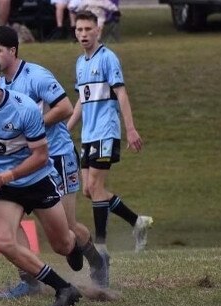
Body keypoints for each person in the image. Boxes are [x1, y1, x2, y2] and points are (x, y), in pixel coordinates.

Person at [0, 51, 84, 306]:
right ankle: (64, 288)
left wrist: (5, 177)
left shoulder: (24, 109)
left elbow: (41, 156)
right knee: (2, 240)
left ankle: (73, 244)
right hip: (1, 186)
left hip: (37, 179)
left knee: (62, 244)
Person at [0, 25, 109, 299]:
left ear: (12, 51)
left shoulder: (35, 75)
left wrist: (31, 126)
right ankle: (29, 281)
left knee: (68, 230)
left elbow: (64, 107)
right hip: (22, 164)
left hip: (56, 156)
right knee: (8, 222)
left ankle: (97, 261)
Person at [67, 11, 153, 259]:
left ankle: (102, 247)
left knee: (96, 186)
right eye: (79, 29)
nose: (83, 34)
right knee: (88, 190)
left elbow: (122, 94)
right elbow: (82, 101)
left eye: (88, 29)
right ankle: (137, 221)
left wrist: (131, 129)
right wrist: (67, 128)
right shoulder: (80, 63)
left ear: (98, 31)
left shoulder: (108, 59)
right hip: (89, 134)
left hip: (106, 131)